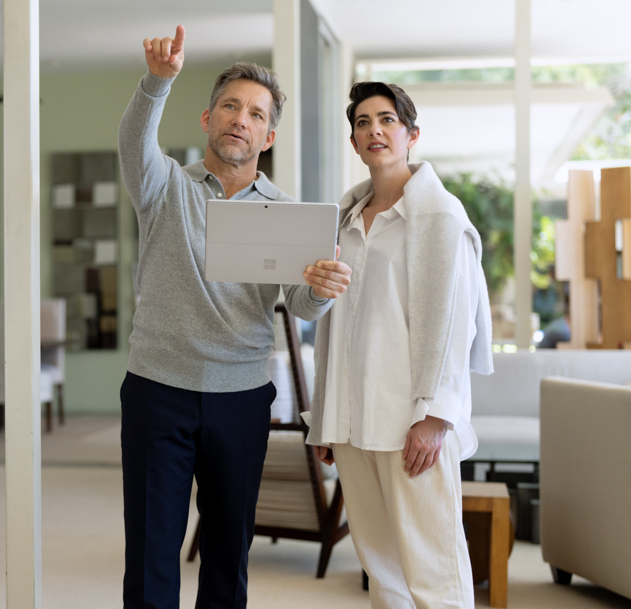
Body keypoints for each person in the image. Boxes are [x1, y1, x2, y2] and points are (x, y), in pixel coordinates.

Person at [118, 25, 352, 609]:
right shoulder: (163, 185)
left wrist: (321, 290)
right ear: (208, 118)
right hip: (157, 390)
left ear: (267, 136)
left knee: (228, 555)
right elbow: (133, 140)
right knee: (150, 552)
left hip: (241, 397)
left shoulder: (286, 212)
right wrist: (156, 82)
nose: (240, 119)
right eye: (229, 106)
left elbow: (300, 305)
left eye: (255, 113)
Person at [302, 82, 494, 608]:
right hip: (352, 420)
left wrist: (435, 416)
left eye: (387, 119)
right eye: (363, 122)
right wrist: (326, 416)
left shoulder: (441, 218)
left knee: (434, 570)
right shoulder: (342, 223)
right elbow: (335, 325)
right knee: (380, 569)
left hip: (413, 421)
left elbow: (457, 325)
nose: (375, 130)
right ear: (354, 142)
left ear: (412, 135)